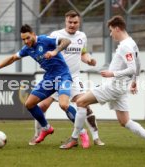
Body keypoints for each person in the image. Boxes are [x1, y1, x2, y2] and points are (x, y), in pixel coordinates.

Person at [60, 15, 145, 149]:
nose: (110, 34)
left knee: (80, 102)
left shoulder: (125, 46)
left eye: (111, 30)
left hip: (113, 87)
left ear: (117, 29)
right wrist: (135, 81)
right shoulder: (132, 43)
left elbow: (132, 68)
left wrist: (111, 73)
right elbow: (138, 63)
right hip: (121, 88)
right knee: (125, 121)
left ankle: (73, 139)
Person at [0, 24, 76, 144]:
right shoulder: (27, 49)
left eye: (27, 38)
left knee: (63, 104)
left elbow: (66, 41)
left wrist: (54, 51)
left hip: (63, 76)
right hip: (49, 78)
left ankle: (80, 132)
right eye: (23, 39)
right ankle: (46, 128)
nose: (26, 41)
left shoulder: (44, 40)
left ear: (33, 34)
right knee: (29, 104)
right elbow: (12, 58)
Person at [28, 10, 105, 148]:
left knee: (84, 104)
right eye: (70, 22)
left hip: (73, 77)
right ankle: (37, 133)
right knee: (41, 106)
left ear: (79, 23)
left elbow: (83, 53)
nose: (72, 25)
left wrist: (89, 60)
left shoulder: (82, 36)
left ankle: (96, 137)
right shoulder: (56, 35)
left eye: (75, 22)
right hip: (56, 76)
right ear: (65, 21)